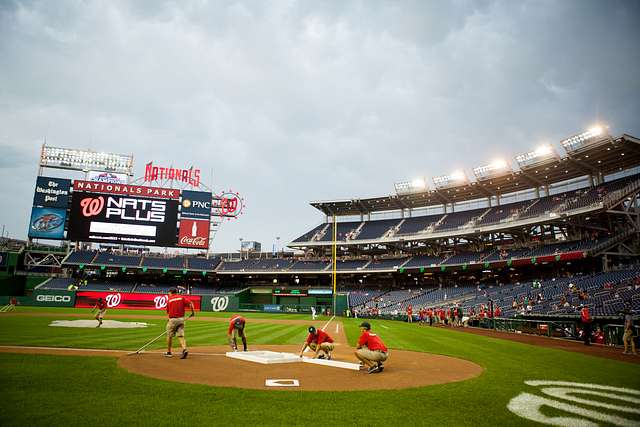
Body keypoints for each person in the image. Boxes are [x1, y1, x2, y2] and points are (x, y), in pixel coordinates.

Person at [165, 288, 195, 359]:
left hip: (172, 319)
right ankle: (184, 349)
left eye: (169, 293)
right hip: (181, 319)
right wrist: (193, 313)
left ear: (171, 292)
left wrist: (168, 320)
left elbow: (168, 312)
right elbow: (191, 304)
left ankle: (169, 352)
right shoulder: (182, 297)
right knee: (181, 336)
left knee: (169, 336)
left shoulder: (169, 299)